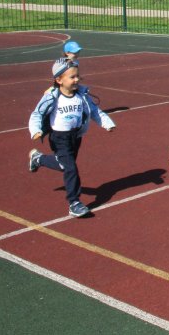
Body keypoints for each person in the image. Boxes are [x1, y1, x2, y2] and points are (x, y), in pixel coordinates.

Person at [28, 59, 116, 218]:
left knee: (64, 166)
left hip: (76, 136)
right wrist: (35, 130)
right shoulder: (52, 97)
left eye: (77, 76)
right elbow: (37, 114)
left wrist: (107, 123)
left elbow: (94, 111)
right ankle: (74, 203)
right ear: (59, 80)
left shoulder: (82, 96)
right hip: (59, 138)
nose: (76, 79)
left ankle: (38, 159)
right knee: (71, 168)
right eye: (72, 77)